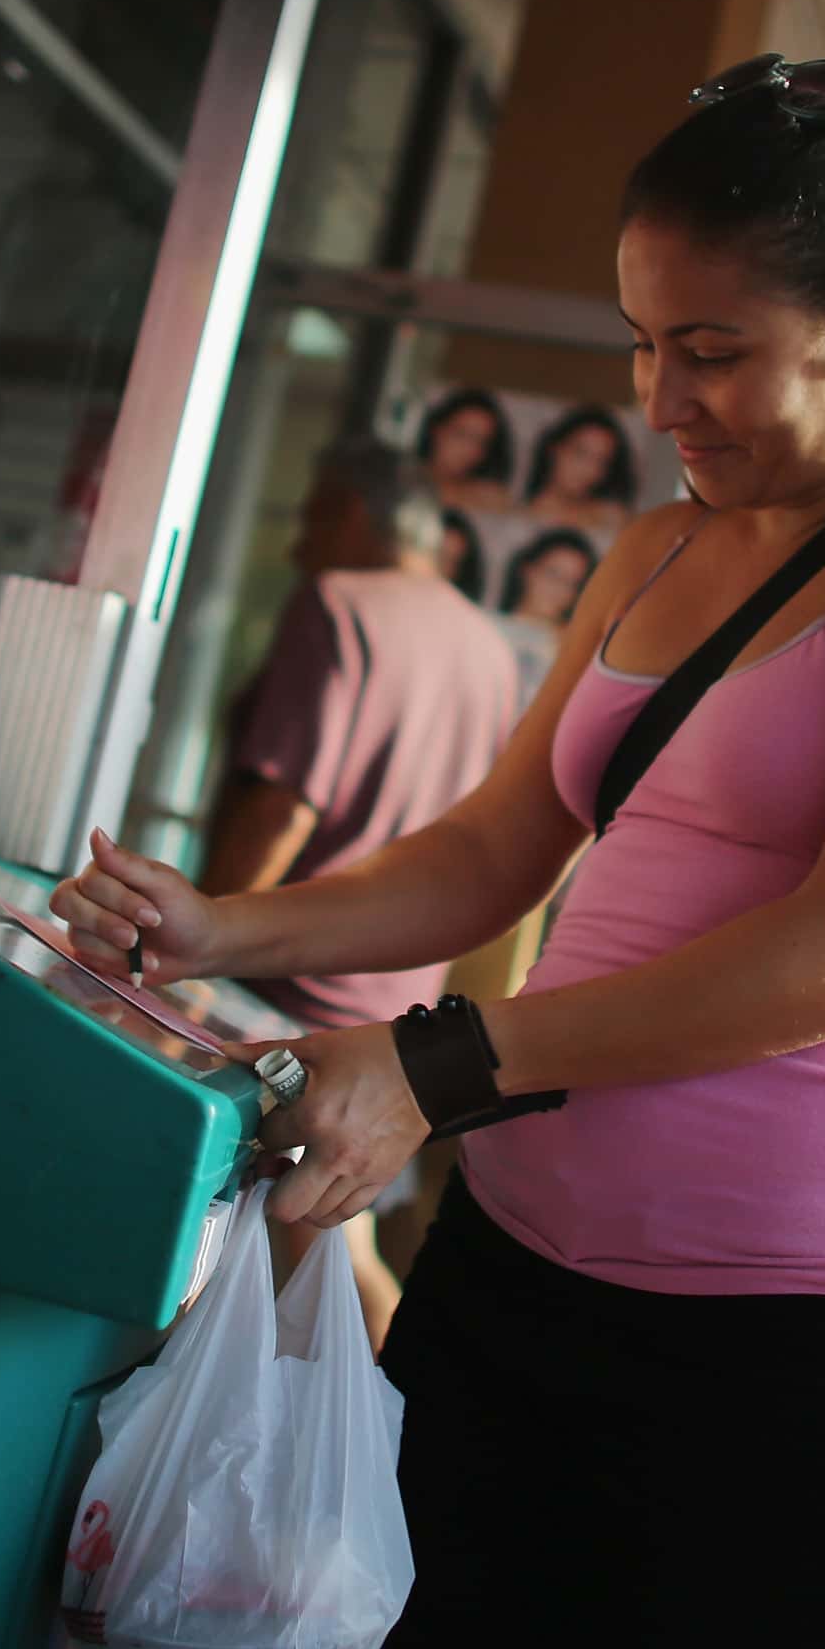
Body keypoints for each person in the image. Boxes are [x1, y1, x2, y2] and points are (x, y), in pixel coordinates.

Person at [56, 54, 825, 1649]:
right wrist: (226, 925)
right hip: (509, 1290)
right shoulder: (659, 548)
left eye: (711, 352)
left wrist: (431, 1067)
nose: (661, 400)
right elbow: (496, 847)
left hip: (779, 1371)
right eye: (641, 345)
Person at [201, 437, 522, 1343]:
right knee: (334, 1253)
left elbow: (285, 807)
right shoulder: (487, 650)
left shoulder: (338, 606)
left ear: (350, 512)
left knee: (310, 1260)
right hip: (396, 1014)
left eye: (309, 518)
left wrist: (201, 941)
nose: (299, 544)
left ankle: (379, 1449)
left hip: (283, 997)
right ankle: (371, 1438)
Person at [490, 526, 599, 706]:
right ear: (527, 570)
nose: (559, 589)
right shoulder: (487, 626)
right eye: (553, 574)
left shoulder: (574, 649)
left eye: (571, 583)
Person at [520, 402, 639, 533]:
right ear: (554, 449)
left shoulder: (612, 518)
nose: (590, 470)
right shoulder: (515, 511)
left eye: (601, 462)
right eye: (580, 453)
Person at [413, 388, 517, 515]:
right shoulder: (403, 478)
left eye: (481, 442)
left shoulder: (491, 497)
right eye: (461, 434)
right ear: (436, 430)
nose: (470, 450)